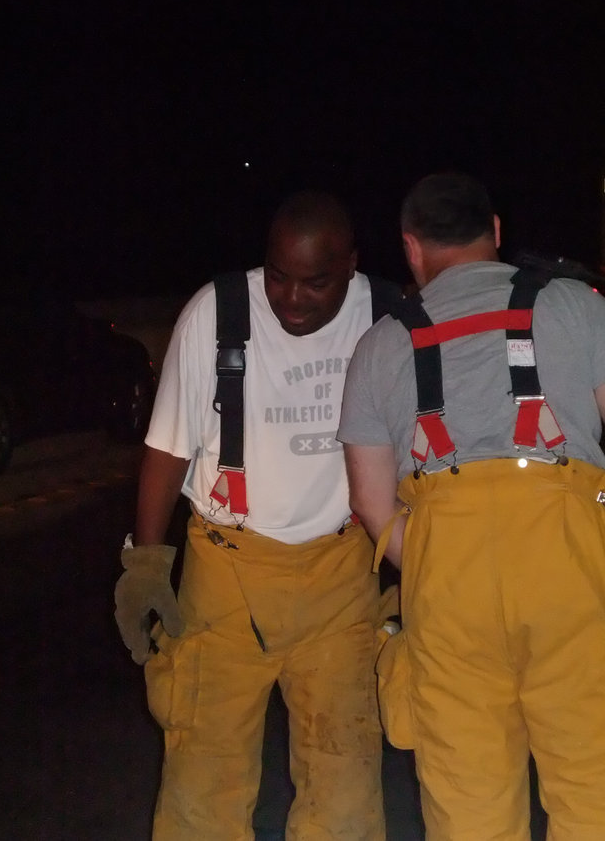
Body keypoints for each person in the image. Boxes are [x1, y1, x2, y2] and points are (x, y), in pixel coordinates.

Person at [338, 172, 605, 840]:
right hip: (565, 568)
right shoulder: (572, 304)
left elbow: (371, 501)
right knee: (597, 795)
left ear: (411, 248)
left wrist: (429, 560)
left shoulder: (380, 345)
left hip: (448, 582)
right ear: (497, 233)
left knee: (467, 804)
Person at [114, 191, 394, 840]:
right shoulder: (216, 314)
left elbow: (417, 452)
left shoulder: (384, 315)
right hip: (225, 576)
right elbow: (167, 448)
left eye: (315, 283)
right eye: (278, 277)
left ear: (350, 267)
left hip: (341, 577)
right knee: (203, 781)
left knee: (345, 781)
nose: (291, 298)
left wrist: (417, 572)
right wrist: (149, 562)